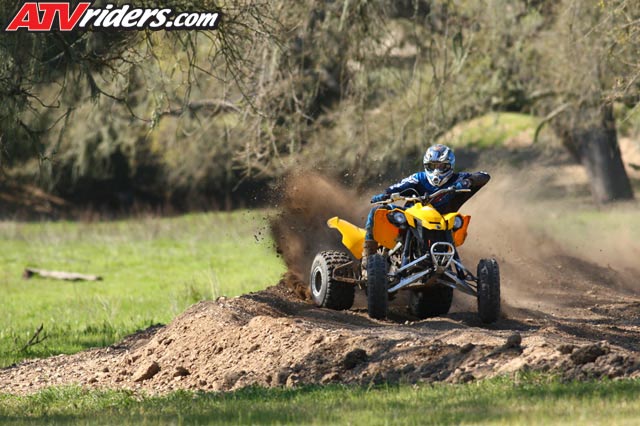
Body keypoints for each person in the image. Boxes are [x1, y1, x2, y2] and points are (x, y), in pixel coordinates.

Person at [363, 144, 490, 258]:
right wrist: (385, 195)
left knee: (458, 222)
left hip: (443, 223)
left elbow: (484, 175)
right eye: (432, 166)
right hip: (412, 219)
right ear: (426, 165)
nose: (436, 171)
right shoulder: (418, 178)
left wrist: (467, 182)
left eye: (441, 166)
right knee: (377, 211)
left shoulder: (458, 179)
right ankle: (368, 257)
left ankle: (460, 269)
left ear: (450, 166)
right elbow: (396, 187)